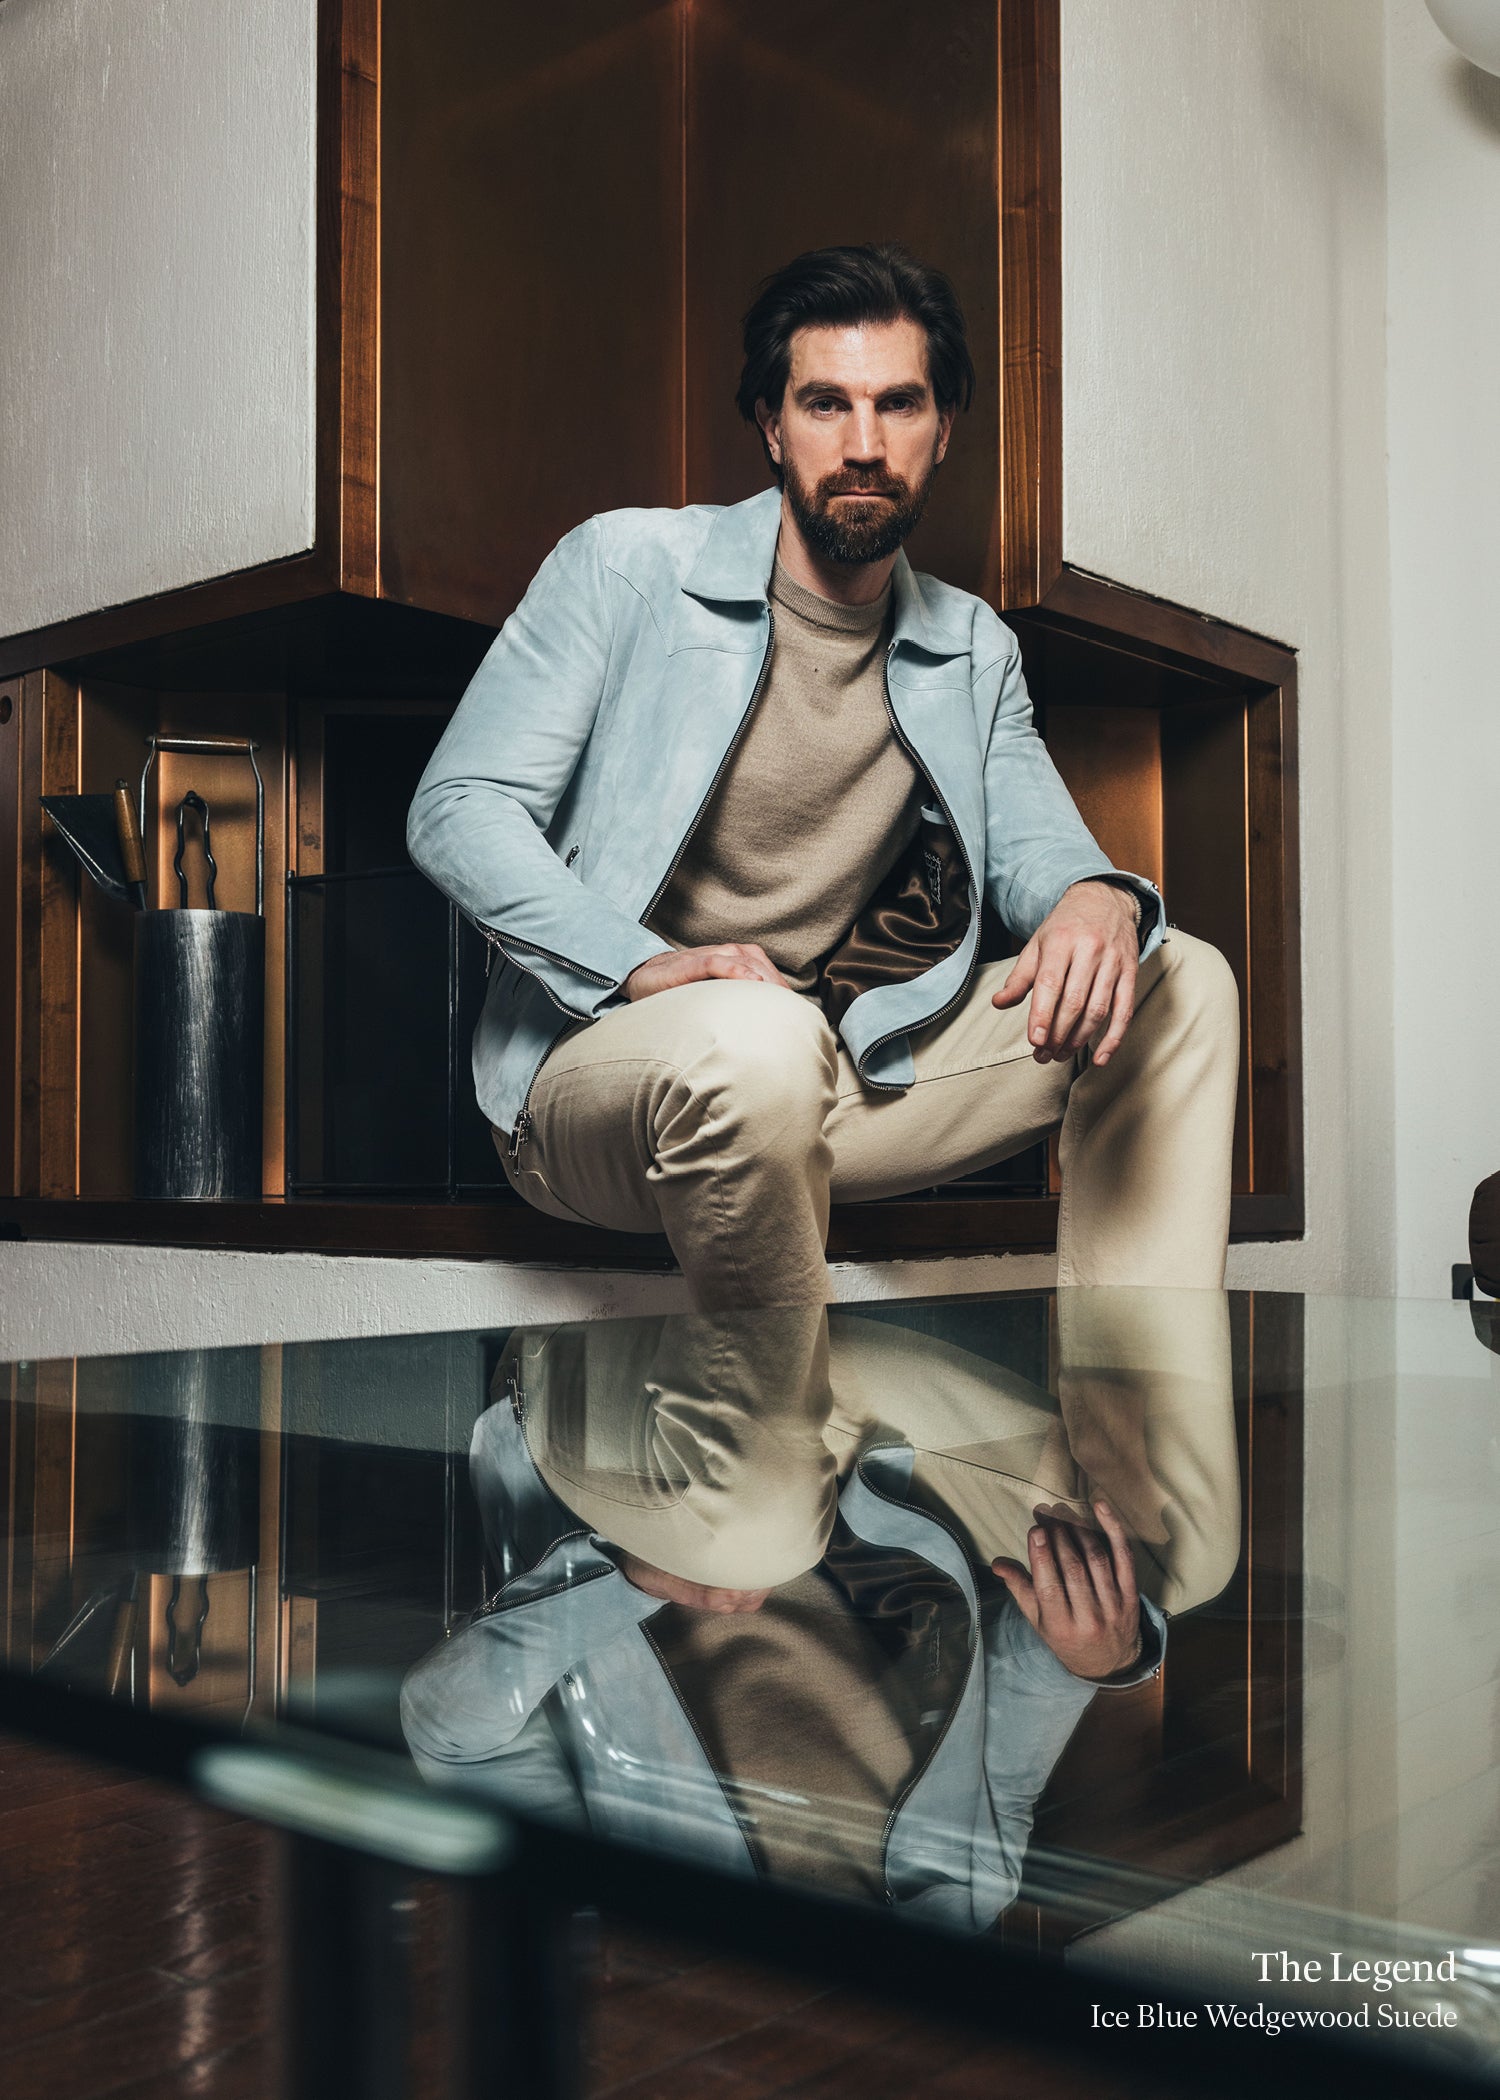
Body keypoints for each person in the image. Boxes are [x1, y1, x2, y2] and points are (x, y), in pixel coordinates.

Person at [406, 244, 1240, 1308]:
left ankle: (1138, 1438)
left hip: (826, 1069)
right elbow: (457, 808)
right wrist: (637, 965)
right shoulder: (624, 569)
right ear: (770, 426)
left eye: (898, 405)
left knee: (1179, 985)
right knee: (758, 1039)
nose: (862, 446)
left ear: (944, 431)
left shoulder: (973, 648)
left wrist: (1098, 900)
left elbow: (1043, 853)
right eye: (824, 405)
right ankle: (771, 1454)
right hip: (596, 1078)